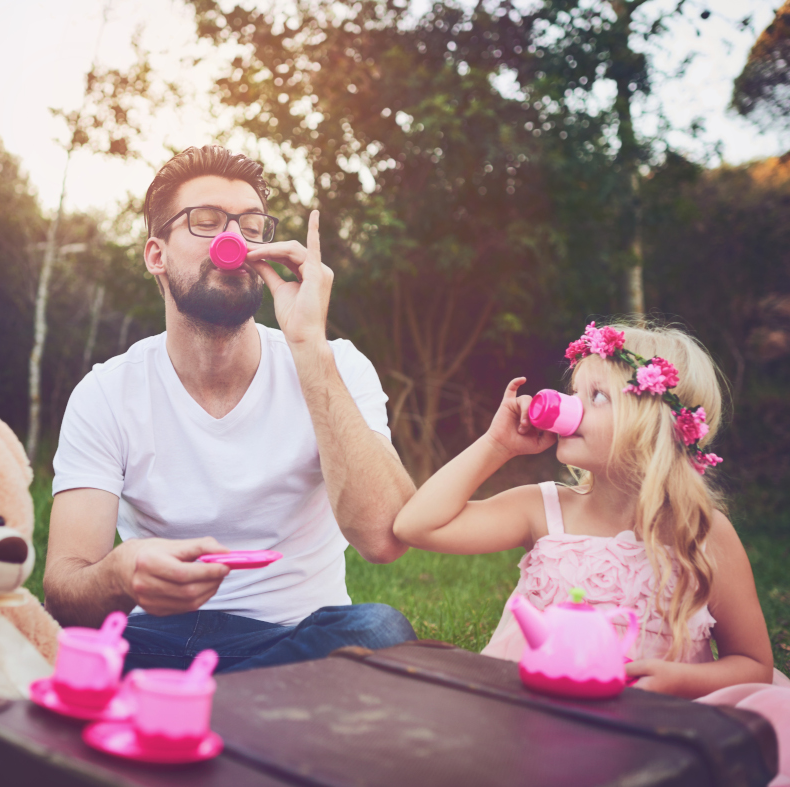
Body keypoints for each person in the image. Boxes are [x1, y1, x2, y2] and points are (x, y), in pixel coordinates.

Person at [43, 145, 417, 674]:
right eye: (206, 221)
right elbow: (64, 588)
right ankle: (248, 710)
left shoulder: (336, 365)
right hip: (153, 634)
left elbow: (383, 538)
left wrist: (310, 347)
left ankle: (182, 704)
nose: (234, 240)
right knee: (37, 632)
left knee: (378, 630)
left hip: (292, 637)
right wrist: (118, 575)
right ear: (156, 254)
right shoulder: (106, 393)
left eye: (251, 225)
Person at [393, 322, 789, 783]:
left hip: (661, 731)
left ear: (653, 424)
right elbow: (415, 526)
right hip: (534, 718)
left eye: (596, 396)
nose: (570, 407)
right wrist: (496, 446)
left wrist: (676, 682)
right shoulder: (542, 509)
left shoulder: (701, 534)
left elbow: (754, 665)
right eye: (574, 391)